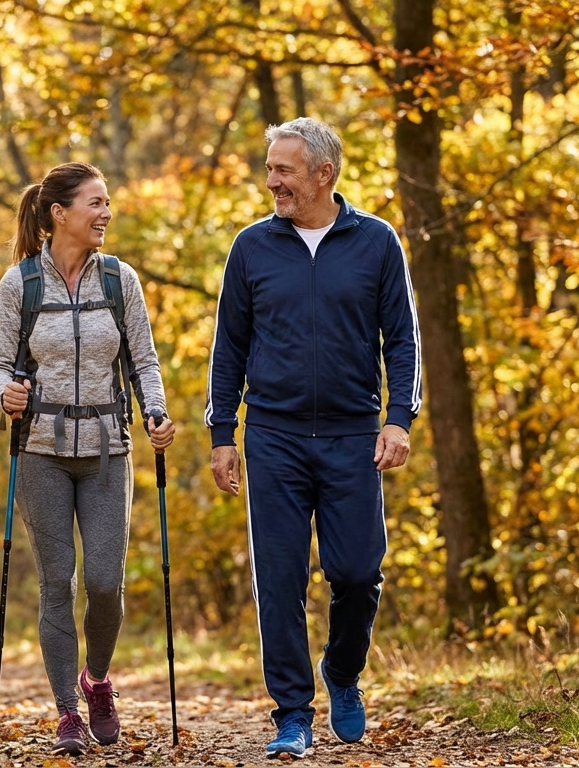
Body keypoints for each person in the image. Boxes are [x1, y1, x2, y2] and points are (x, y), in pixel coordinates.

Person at [205, 117, 422, 759]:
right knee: (278, 578)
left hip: (355, 436)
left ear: (324, 173)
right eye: (270, 168)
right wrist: (224, 432)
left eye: (283, 170)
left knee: (357, 572)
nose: (272, 181)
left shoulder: (377, 242)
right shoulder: (251, 247)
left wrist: (398, 419)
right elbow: (230, 347)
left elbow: (403, 340)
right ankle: (292, 713)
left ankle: (343, 673)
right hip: (273, 434)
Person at [0, 161, 175, 756]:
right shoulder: (21, 284)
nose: (105, 213)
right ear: (58, 213)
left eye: (107, 202)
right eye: (95, 203)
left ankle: (97, 679)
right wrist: (5, 393)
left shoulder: (120, 281)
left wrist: (157, 413)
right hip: (40, 452)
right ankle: (67, 709)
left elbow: (143, 359)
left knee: (105, 582)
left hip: (106, 450)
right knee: (56, 584)